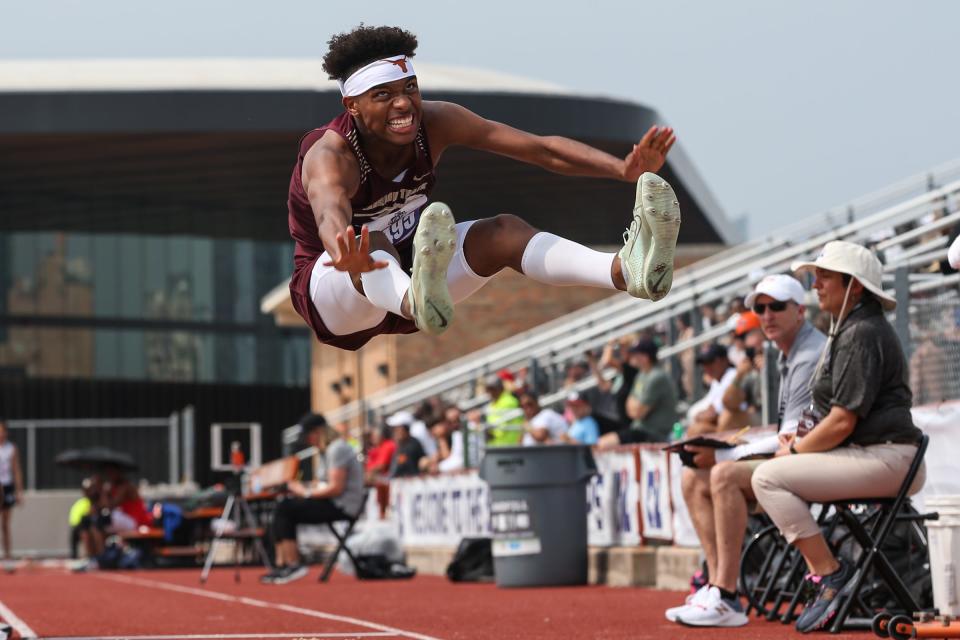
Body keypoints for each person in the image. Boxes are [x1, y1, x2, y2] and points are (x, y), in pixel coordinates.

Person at [286, 25, 681, 352]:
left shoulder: (437, 121)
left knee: (503, 233)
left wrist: (622, 169)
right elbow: (328, 211)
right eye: (384, 96)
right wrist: (343, 253)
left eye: (410, 89)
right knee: (369, 240)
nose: (404, 105)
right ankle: (415, 299)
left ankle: (624, 270)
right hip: (338, 288)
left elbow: (540, 149)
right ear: (352, 105)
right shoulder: (331, 154)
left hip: (416, 274)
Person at [751, 241, 925, 633]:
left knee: (767, 477)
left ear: (855, 286)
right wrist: (794, 447)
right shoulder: (852, 326)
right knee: (766, 474)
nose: (815, 284)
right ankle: (829, 573)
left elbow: (842, 422)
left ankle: (830, 573)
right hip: (881, 457)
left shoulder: (862, 331)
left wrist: (793, 450)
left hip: (889, 459)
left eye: (825, 276)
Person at [668, 274, 826, 627]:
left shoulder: (809, 353)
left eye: (776, 307)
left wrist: (725, 454)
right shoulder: (789, 353)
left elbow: (792, 437)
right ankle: (715, 583)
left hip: (818, 462)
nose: (766, 315)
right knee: (694, 477)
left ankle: (726, 594)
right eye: (760, 308)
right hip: (801, 456)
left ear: (800, 311)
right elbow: (789, 432)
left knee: (722, 473)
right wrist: (732, 446)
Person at [262, 420, 365, 584]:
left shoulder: (337, 449)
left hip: (342, 506)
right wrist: (301, 488)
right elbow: (323, 483)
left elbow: (336, 488)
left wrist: (306, 492)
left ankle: (293, 564)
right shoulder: (327, 451)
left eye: (309, 436)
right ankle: (281, 565)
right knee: (282, 505)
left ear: (318, 432)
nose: (309, 442)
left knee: (286, 508)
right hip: (332, 502)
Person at [598, 338, 678, 448]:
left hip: (653, 433)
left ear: (645, 357)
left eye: (635, 353)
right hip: (640, 430)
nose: (632, 356)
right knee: (601, 443)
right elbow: (631, 408)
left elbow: (637, 413)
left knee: (603, 444)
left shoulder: (656, 377)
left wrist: (634, 406)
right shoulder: (642, 375)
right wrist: (634, 406)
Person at [686, 344, 736, 436]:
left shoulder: (732, 375)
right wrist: (702, 415)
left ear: (724, 360)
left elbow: (713, 415)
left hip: (737, 428)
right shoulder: (717, 380)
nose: (706, 367)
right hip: (725, 427)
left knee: (698, 430)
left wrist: (701, 416)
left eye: (710, 362)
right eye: (704, 363)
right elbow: (710, 410)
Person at [0, 420, 24, 560]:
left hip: (7, 486)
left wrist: (19, 491)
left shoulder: (11, 448)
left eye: (2, 431)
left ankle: (8, 554)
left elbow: (16, 470)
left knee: (5, 523)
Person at [482, 375, 524, 447]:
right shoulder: (493, 403)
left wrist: (487, 431)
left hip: (509, 447)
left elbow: (500, 428)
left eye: (491, 389)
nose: (489, 392)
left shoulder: (509, 401)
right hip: (496, 447)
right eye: (487, 389)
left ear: (500, 388)